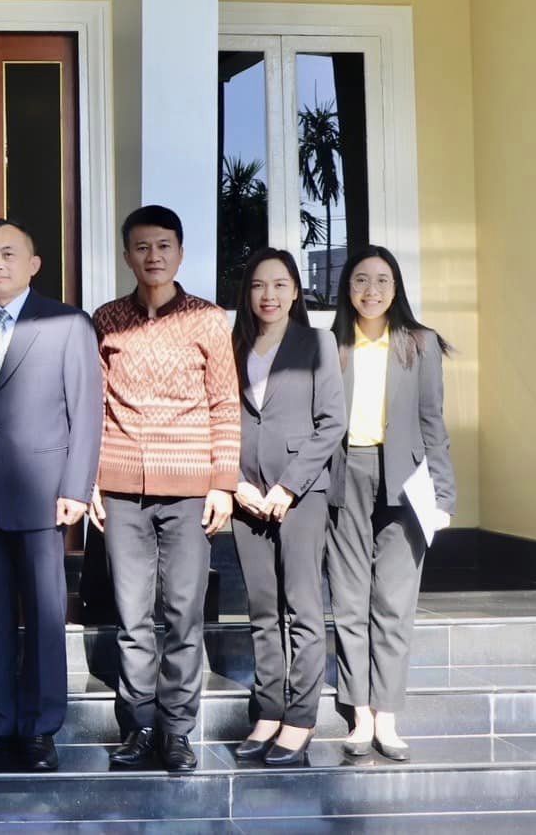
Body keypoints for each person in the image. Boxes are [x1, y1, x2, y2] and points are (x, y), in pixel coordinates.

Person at [0, 219, 103, 773]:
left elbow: (87, 411)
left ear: (34, 263)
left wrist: (76, 489)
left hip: (43, 494)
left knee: (45, 614)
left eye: (9, 253)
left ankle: (40, 730)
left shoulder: (65, 323)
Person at [89, 205, 239, 773]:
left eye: (164, 246)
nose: (153, 257)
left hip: (190, 489)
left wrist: (222, 484)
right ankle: (139, 726)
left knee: (182, 614)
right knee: (132, 617)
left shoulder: (206, 319)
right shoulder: (106, 319)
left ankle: (177, 731)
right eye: (142, 247)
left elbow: (225, 403)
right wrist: (91, 483)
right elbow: (94, 406)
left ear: (180, 251)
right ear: (127, 254)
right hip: (121, 487)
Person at [327, 245, 455, 763]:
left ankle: (388, 715)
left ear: (396, 288)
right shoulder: (330, 344)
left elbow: (434, 424)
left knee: (395, 602)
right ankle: (359, 713)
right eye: (361, 280)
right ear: (347, 289)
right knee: (350, 598)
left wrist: (443, 494)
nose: (371, 290)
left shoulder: (419, 345)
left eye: (382, 281)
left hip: (406, 481)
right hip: (345, 476)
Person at [229, 249, 346, 766]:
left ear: (296, 290)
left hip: (300, 495)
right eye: (259, 285)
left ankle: (300, 718)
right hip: (245, 496)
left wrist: (289, 487)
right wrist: (233, 482)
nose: (269, 295)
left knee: (301, 607)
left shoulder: (316, 343)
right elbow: (218, 419)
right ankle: (269, 710)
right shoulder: (232, 345)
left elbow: (332, 423)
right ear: (247, 292)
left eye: (280, 284)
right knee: (261, 610)